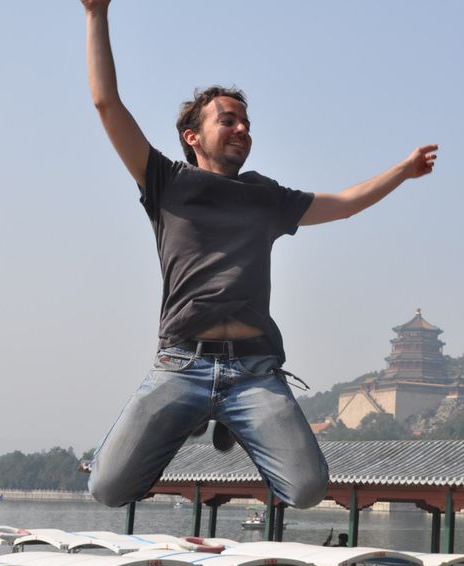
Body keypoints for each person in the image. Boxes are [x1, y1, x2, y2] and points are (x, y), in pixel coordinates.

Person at [79, 0, 437, 509]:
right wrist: (96, 14)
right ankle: (196, 416)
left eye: (246, 122)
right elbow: (106, 104)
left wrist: (401, 171)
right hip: (182, 363)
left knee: (308, 489)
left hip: (253, 370)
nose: (243, 129)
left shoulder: (264, 196)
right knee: (106, 488)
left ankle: (230, 419)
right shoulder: (166, 181)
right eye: (228, 121)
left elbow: (344, 205)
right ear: (193, 136)